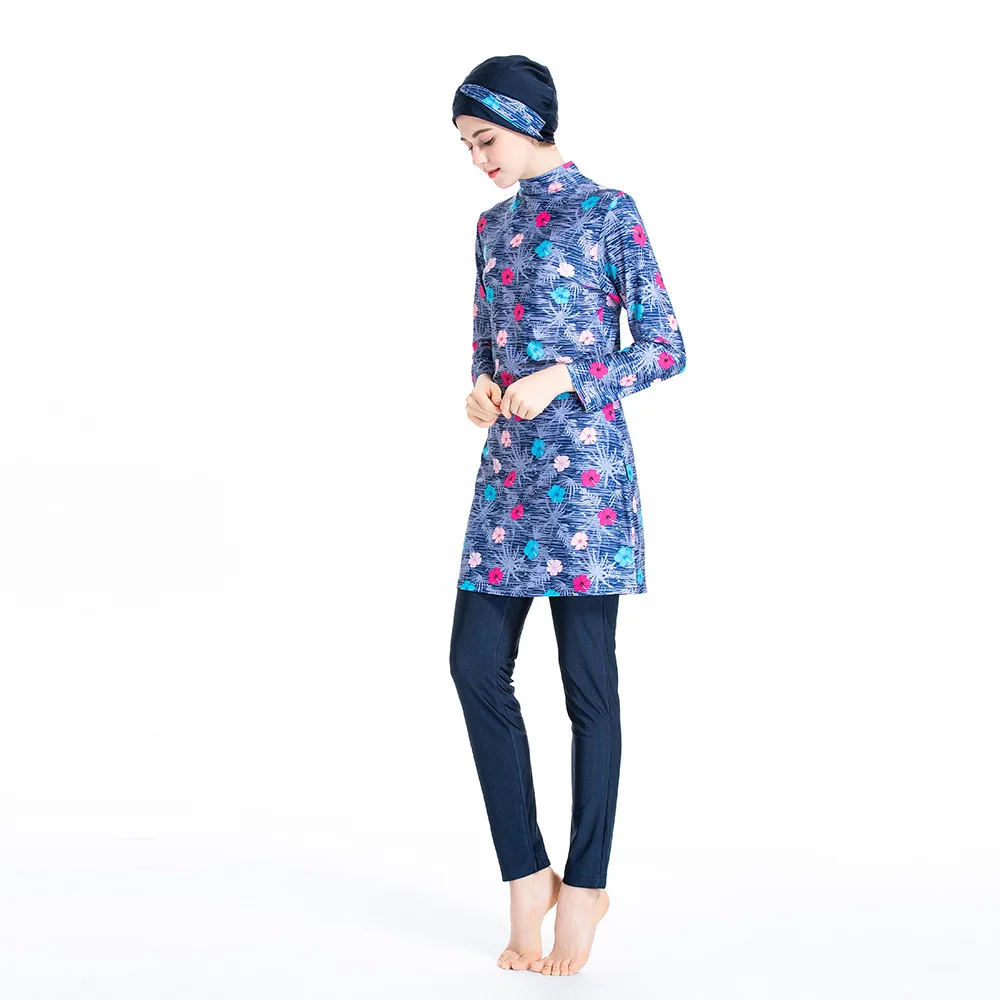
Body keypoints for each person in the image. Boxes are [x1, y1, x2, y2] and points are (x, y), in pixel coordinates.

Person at [449, 54, 687, 976]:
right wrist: (482, 389)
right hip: (507, 481)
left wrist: (567, 378)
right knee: (475, 665)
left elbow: (664, 346)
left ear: (527, 122)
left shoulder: (609, 212)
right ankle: (526, 875)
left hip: (587, 484)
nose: (479, 160)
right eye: (467, 147)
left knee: (588, 685)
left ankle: (586, 887)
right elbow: (484, 342)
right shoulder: (490, 228)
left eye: (486, 140)